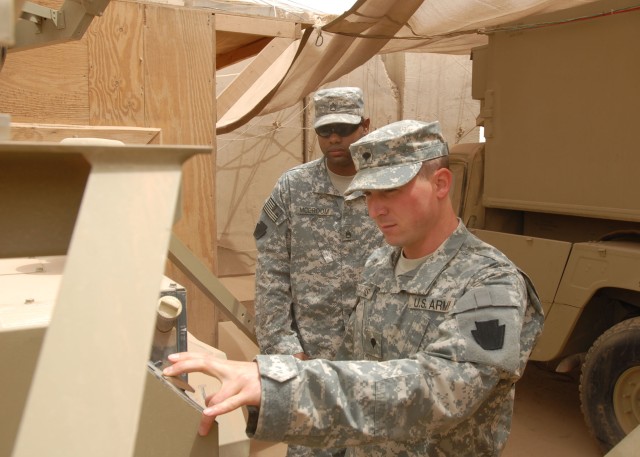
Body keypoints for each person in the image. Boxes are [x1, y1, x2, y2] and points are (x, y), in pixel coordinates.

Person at [165, 119, 544, 456]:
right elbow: (351, 361)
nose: (375, 209)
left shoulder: (490, 282)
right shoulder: (381, 263)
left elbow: (440, 392)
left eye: (390, 190)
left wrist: (283, 387)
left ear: (441, 183)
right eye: (368, 195)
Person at [252, 86, 385, 457]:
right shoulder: (294, 187)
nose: (334, 138)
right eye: (325, 131)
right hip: (312, 357)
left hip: (378, 358)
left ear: (365, 125)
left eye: (344, 127)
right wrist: (284, 349)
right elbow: (271, 273)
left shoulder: (388, 185)